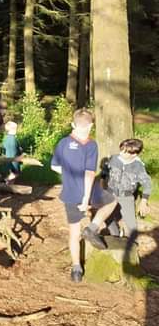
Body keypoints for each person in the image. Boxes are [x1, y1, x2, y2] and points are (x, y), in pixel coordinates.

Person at [51, 108, 117, 283]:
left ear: (73, 124)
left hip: (69, 193)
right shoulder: (91, 145)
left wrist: (68, 177)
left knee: (74, 232)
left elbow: (54, 166)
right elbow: (89, 174)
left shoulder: (63, 142)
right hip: (86, 193)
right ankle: (93, 228)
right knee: (111, 200)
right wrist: (86, 199)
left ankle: (76, 269)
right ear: (91, 125)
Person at [103, 138, 152, 239]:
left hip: (126, 196)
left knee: (131, 226)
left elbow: (147, 184)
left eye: (125, 152)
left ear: (134, 154)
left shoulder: (138, 166)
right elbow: (105, 172)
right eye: (121, 150)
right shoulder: (114, 158)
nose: (121, 153)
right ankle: (115, 236)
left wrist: (144, 201)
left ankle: (131, 246)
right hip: (111, 193)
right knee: (106, 217)